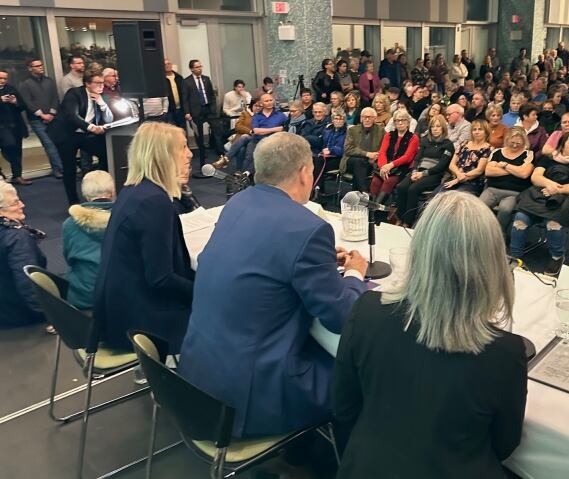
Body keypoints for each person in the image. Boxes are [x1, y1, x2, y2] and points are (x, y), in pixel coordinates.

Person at [179, 132, 368, 438]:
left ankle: (302, 452)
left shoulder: (238, 203)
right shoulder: (308, 227)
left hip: (200, 378)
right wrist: (355, 274)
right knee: (359, 376)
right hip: (250, 395)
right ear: (305, 173)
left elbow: (262, 254)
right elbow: (342, 318)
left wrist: (314, 261)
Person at [332, 191, 527, 479]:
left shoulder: (368, 311)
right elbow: (504, 443)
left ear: (420, 250)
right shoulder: (505, 352)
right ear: (492, 261)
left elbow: (343, 406)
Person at [93, 122, 195, 352]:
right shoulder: (153, 202)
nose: (189, 154)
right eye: (183, 148)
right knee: (227, 311)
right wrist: (205, 290)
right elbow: (161, 279)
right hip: (139, 323)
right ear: (163, 156)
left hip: (118, 310)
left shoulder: (134, 191)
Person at [510, 131, 569, 276]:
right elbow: (536, 177)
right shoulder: (549, 159)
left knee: (553, 222)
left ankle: (557, 257)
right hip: (541, 197)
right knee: (520, 219)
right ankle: (514, 257)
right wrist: (550, 185)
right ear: (562, 145)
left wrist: (558, 190)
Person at [48, 71, 114, 206]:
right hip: (66, 134)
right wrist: (91, 128)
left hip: (84, 134)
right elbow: (72, 116)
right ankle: (73, 202)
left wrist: (102, 103)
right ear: (87, 84)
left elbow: (109, 118)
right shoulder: (74, 93)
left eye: (102, 83)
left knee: (107, 154)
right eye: (98, 83)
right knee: (69, 168)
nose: (101, 86)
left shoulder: (101, 96)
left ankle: (101, 190)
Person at [62, 170, 115, 309]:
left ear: (85, 195)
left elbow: (69, 259)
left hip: (83, 296)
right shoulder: (126, 219)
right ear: (113, 192)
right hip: (118, 296)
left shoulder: (69, 224)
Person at [0, 180, 47, 328]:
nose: (22, 205)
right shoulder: (17, 238)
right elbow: (27, 281)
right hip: (19, 318)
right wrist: (48, 315)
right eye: (15, 203)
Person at [393, 114, 454, 227]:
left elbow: (441, 166)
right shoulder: (425, 141)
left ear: (443, 128)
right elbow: (417, 158)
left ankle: (408, 221)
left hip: (434, 174)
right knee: (401, 187)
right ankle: (399, 218)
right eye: (432, 126)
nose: (435, 129)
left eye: (438, 126)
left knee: (413, 189)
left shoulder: (448, 145)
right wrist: (415, 171)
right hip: (418, 171)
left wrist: (423, 173)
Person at [480, 127, 536, 232]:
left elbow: (524, 174)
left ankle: (498, 234)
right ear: (507, 140)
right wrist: (516, 170)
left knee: (505, 209)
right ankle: (482, 232)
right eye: (512, 142)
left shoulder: (528, 154)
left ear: (524, 142)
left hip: (514, 192)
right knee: (479, 206)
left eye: (518, 143)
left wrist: (504, 165)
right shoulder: (497, 152)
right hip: (492, 189)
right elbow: (489, 172)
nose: (515, 145)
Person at [17, 59, 63, 178]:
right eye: (37, 66)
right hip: (36, 119)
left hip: (53, 117)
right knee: (49, 144)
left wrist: (52, 114)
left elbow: (55, 98)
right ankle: (59, 169)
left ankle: (60, 167)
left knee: (58, 142)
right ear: (30, 68)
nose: (40, 67)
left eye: (41, 65)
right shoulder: (25, 84)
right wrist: (42, 115)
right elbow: (28, 102)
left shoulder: (49, 81)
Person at [182, 59, 226, 170]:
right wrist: (187, 112)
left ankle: (220, 151)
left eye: (200, 66)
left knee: (217, 128)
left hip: (208, 108)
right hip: (196, 110)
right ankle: (202, 152)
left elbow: (211, 94)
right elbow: (185, 99)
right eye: (197, 67)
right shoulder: (186, 81)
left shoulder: (206, 79)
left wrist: (213, 107)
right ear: (192, 69)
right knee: (198, 133)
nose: (199, 68)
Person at [369, 109, 419, 204]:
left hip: (400, 169)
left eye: (403, 120)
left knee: (388, 181)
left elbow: (407, 157)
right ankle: (370, 209)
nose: (400, 123)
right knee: (375, 181)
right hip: (384, 167)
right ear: (394, 123)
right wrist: (383, 167)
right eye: (397, 120)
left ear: (408, 122)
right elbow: (382, 152)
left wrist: (390, 165)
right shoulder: (388, 135)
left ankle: (375, 209)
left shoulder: (413, 138)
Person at [437, 119, 492, 195]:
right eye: (474, 129)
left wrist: (458, 179)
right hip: (456, 177)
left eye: (480, 129)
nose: (476, 132)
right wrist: (458, 174)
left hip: (472, 183)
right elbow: (452, 164)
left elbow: (479, 170)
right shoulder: (464, 143)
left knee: (455, 197)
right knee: (437, 194)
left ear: (486, 132)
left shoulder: (488, 148)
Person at [341, 107, 385, 193]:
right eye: (364, 117)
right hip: (351, 161)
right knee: (359, 162)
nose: (367, 119)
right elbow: (348, 149)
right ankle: (364, 192)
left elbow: (385, 148)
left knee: (360, 168)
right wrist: (367, 154)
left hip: (371, 163)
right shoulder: (352, 130)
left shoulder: (381, 131)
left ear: (375, 119)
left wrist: (377, 156)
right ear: (361, 118)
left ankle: (358, 195)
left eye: (370, 117)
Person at [242, 93, 287, 173]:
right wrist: (275, 129)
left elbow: (285, 128)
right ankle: (243, 177)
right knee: (249, 157)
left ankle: (248, 175)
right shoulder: (257, 116)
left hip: (272, 142)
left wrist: (263, 130)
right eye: (266, 101)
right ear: (261, 103)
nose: (269, 102)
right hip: (256, 140)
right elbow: (256, 131)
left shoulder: (281, 115)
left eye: (271, 100)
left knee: (260, 156)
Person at [0, 69, 31, 185]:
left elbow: (23, 105)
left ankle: (17, 175)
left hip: (14, 125)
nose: (2, 81)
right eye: (0, 78)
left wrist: (15, 102)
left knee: (17, 151)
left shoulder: (11, 88)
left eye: (5, 78)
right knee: (9, 145)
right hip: (1, 126)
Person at [313, 108, 348, 190]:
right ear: (332, 120)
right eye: (336, 119)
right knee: (314, 160)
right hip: (325, 157)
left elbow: (345, 150)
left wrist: (331, 149)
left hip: (338, 159)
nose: (338, 121)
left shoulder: (348, 132)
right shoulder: (328, 130)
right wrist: (323, 150)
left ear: (344, 120)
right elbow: (323, 145)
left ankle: (317, 188)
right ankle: (317, 188)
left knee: (318, 163)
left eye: (341, 119)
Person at [164, 58, 185, 128]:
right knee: (172, 131)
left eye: (168, 64)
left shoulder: (179, 77)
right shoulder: (161, 80)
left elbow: (184, 93)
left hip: (181, 109)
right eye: (165, 64)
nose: (167, 66)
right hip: (169, 111)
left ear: (171, 65)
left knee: (182, 130)